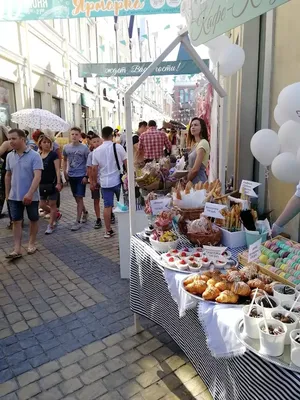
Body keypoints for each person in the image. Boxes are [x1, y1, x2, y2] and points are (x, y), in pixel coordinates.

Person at [5, 128, 43, 259]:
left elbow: (37, 176)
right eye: (9, 139)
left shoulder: (35, 155)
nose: (11, 141)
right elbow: (8, 175)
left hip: (32, 196)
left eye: (13, 138)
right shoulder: (10, 156)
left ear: (22, 139)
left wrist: (30, 193)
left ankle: (31, 243)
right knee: (16, 221)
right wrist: (7, 194)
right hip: (14, 196)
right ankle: (17, 248)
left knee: (33, 219)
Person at [91, 126, 127, 238]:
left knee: (107, 206)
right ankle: (126, 230)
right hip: (118, 181)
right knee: (124, 205)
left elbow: (94, 169)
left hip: (104, 183)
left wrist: (93, 182)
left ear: (102, 136)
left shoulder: (96, 151)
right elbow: (126, 163)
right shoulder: (119, 147)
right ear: (112, 135)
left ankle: (107, 230)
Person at [63, 127, 89, 231]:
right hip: (71, 175)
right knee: (77, 198)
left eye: (76, 134)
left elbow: (88, 162)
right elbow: (64, 160)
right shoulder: (66, 147)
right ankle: (85, 212)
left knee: (79, 198)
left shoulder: (84, 148)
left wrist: (86, 176)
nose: (74, 136)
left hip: (81, 176)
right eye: (72, 134)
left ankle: (77, 221)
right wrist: (65, 171)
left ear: (79, 136)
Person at [38, 134, 62, 235]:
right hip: (41, 183)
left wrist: (58, 182)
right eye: (44, 142)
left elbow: (57, 169)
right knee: (42, 204)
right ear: (40, 144)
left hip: (52, 183)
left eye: (48, 142)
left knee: (52, 204)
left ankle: (51, 225)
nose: (47, 144)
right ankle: (56, 214)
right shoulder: (38, 155)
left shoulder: (53, 155)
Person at [186, 117, 210, 184]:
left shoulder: (203, 143)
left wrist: (187, 181)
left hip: (199, 182)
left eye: (196, 125)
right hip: (193, 181)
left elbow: (195, 170)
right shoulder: (196, 144)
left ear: (202, 128)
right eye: (191, 126)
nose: (193, 127)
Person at [86, 134, 103, 229]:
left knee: (107, 199)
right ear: (91, 144)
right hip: (95, 180)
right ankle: (98, 218)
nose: (96, 143)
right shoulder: (91, 155)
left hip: (104, 180)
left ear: (101, 142)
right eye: (94, 142)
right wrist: (91, 182)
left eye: (98, 141)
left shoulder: (105, 152)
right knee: (96, 200)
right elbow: (89, 169)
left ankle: (110, 214)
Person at [0, 125, 13, 227]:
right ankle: (17, 218)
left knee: (8, 194)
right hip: (16, 170)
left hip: (7, 172)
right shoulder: (14, 143)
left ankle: (13, 220)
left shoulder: (6, 143)